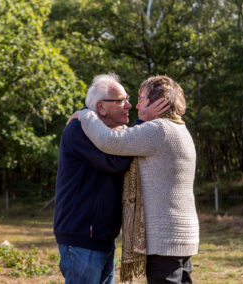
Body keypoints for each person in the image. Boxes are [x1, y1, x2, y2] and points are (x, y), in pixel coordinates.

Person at [75, 75, 199, 283]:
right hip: (182, 235)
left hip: (165, 238)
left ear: (157, 103)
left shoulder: (159, 129)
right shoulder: (179, 128)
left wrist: (85, 115)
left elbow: (109, 141)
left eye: (141, 98)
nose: (136, 104)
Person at [53, 73, 166, 284]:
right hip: (82, 237)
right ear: (101, 107)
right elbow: (116, 163)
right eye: (121, 101)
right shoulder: (80, 129)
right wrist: (142, 123)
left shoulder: (114, 133)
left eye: (128, 99)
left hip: (102, 237)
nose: (129, 106)